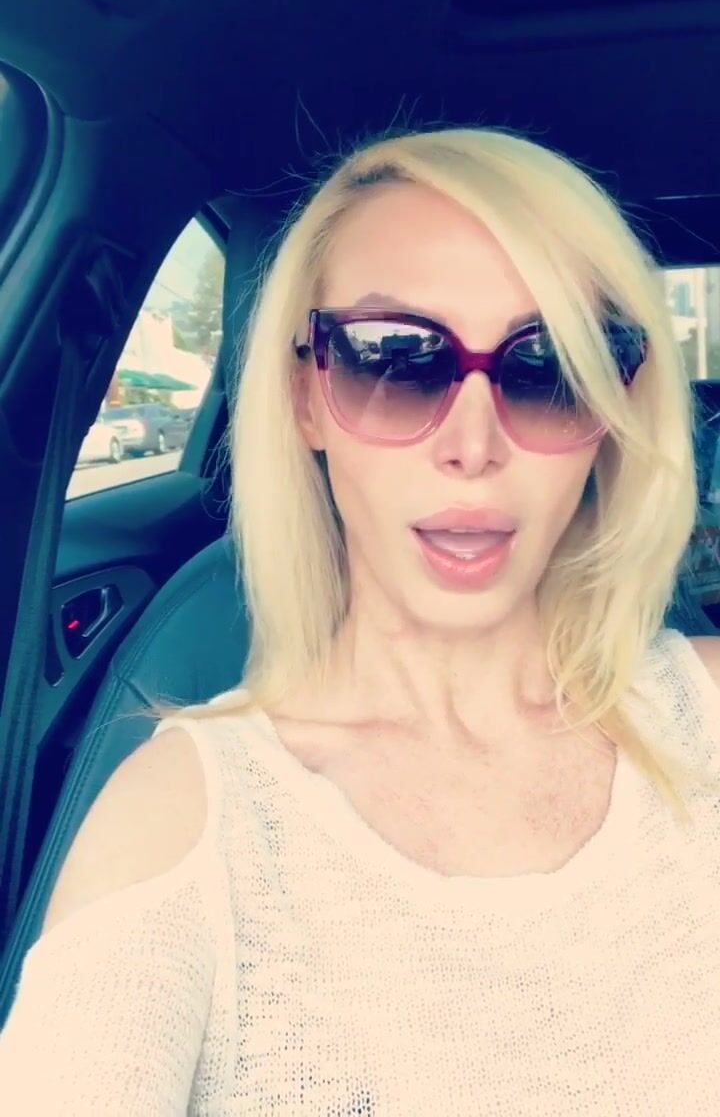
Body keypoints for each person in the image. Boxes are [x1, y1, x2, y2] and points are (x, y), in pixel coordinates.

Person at [2, 126, 720, 1114]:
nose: (473, 446)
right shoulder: (183, 821)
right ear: (306, 394)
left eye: (548, 366)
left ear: (614, 407)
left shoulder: (706, 711)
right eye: (395, 359)